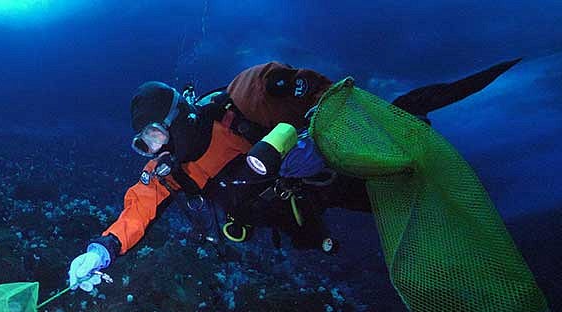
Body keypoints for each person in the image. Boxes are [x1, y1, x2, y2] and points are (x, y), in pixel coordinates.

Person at [68, 59, 521, 292]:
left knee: (390, 177)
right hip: (295, 209)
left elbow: (310, 94)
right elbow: (137, 209)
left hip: (315, 177)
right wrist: (101, 250)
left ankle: (409, 126)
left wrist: (310, 136)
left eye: (152, 135)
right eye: (142, 143)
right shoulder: (170, 171)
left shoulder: (239, 105)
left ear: (177, 117)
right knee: (391, 201)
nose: (152, 151)